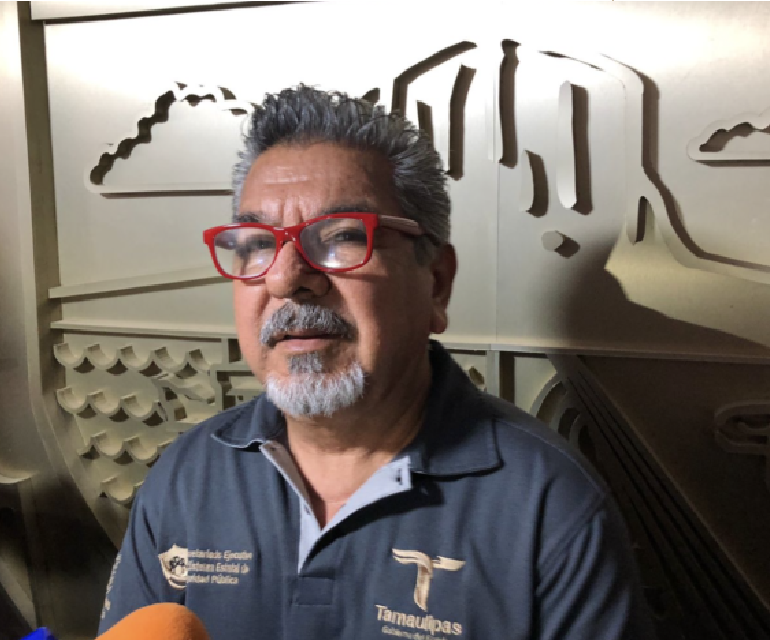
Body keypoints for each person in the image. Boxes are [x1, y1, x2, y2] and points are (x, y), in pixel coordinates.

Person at [100, 86, 655, 639]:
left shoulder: (550, 509)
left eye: (341, 237)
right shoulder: (188, 475)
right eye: (257, 244)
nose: (285, 279)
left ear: (436, 284)